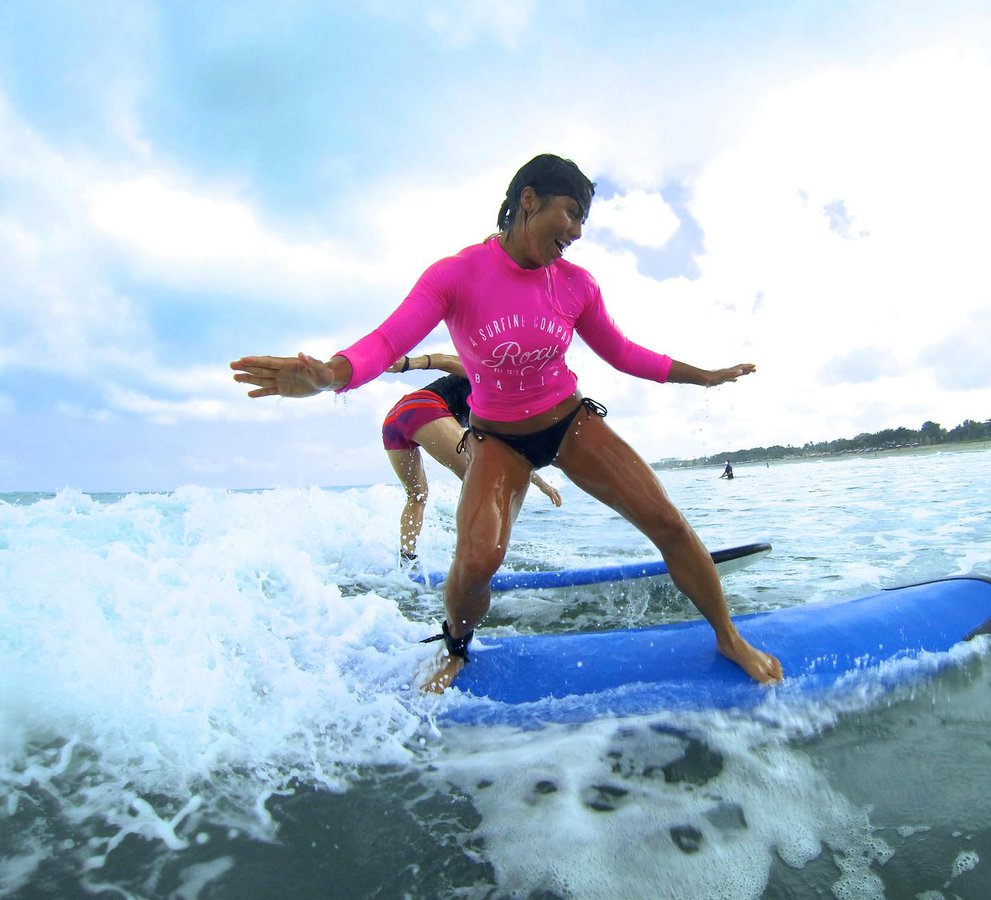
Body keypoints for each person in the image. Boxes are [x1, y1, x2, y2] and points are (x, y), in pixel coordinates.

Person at [231, 153, 782, 692]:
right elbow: (386, 340)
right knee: (477, 560)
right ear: (529, 201)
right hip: (498, 439)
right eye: (571, 213)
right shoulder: (456, 275)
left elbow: (622, 353)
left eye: (584, 220)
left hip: (569, 423)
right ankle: (456, 648)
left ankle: (728, 637)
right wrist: (330, 375)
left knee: (666, 521)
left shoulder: (576, 284)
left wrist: (703, 377)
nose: (578, 231)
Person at [382, 351, 562, 560]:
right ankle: (472, 557)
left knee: (417, 495)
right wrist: (407, 363)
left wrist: (541, 484)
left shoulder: (497, 413)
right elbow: (445, 360)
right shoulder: (491, 375)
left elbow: (506, 455)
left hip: (394, 420)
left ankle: (406, 559)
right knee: (479, 482)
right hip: (424, 407)